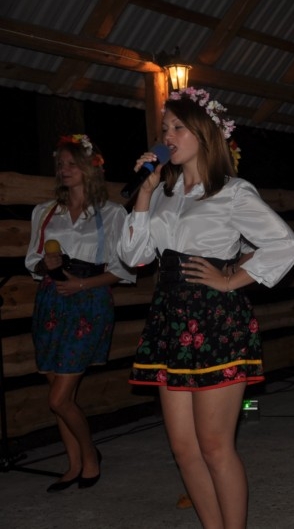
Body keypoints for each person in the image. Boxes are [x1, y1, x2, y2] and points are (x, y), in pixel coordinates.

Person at [118, 87, 294, 529]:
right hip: (169, 318)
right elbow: (133, 256)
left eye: (178, 127)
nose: (168, 136)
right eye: (164, 129)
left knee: (215, 446)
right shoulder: (162, 193)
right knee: (184, 449)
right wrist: (143, 194)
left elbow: (285, 244)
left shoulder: (232, 193)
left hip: (216, 319)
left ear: (204, 134)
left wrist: (232, 279)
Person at [26, 134, 136, 492]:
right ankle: (73, 464)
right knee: (60, 395)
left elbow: (122, 269)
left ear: (90, 168)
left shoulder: (112, 213)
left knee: (58, 398)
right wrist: (46, 264)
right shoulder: (45, 212)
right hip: (51, 300)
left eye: (72, 163)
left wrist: (81, 284)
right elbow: (32, 260)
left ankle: (90, 456)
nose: (64, 169)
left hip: (88, 300)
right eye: (60, 164)